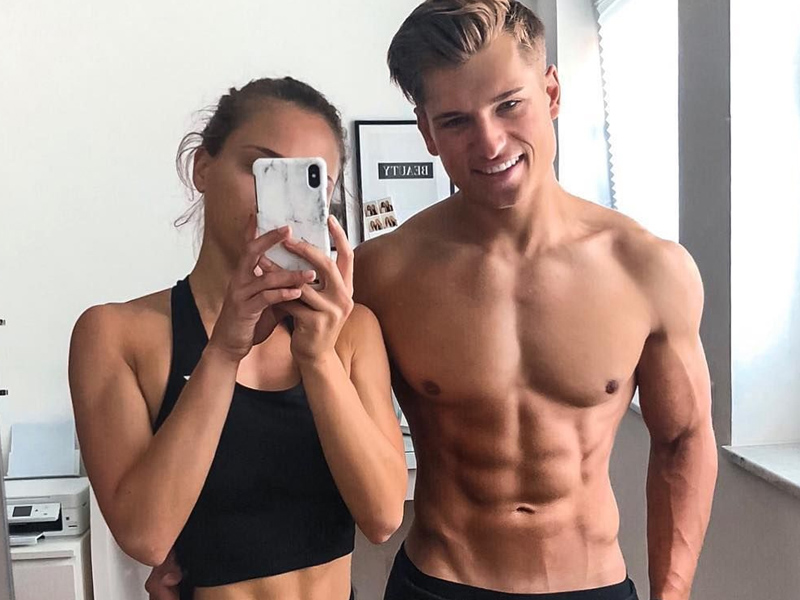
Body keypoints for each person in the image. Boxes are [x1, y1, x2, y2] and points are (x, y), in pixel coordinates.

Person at [353, 1, 718, 599]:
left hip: (592, 583)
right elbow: (300, 431)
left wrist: (671, 594)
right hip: (441, 581)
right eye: (456, 121)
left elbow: (683, 440)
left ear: (551, 92)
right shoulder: (380, 274)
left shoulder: (648, 268)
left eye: (508, 105)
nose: (490, 142)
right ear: (427, 132)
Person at [69, 76, 407, 600]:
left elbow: (383, 516)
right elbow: (147, 536)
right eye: (263, 169)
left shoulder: (350, 331)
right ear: (202, 167)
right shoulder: (116, 335)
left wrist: (318, 359)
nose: (281, 201)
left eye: (309, 180)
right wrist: (224, 350)